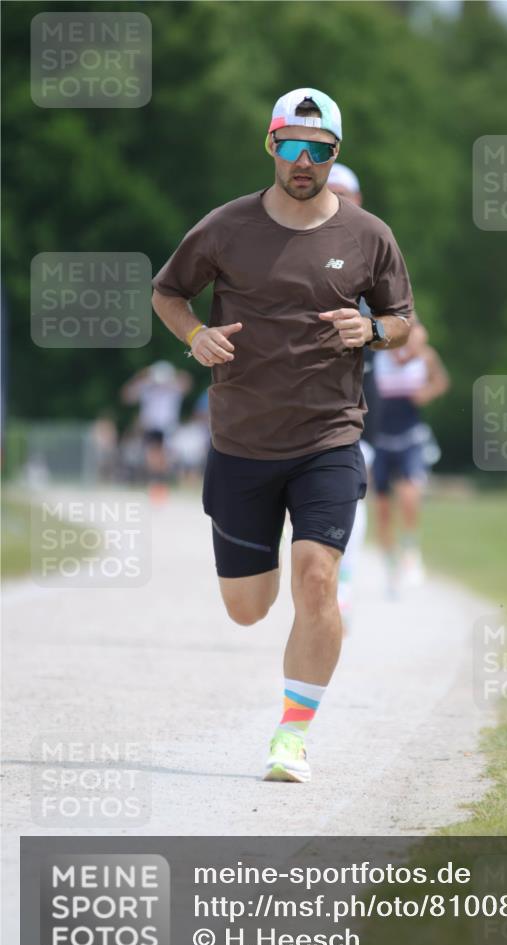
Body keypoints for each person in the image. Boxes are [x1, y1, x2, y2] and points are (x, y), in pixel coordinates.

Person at [151, 88, 414, 782]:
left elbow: (401, 319)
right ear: (271, 145)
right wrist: (197, 335)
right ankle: (269, 623)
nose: (304, 160)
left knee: (318, 579)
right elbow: (167, 293)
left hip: (329, 436)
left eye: (319, 149)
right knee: (248, 608)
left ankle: (292, 737)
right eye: (292, 146)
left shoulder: (369, 236)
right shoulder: (226, 228)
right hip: (241, 442)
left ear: (335, 155)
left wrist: (375, 330)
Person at [326, 163, 379, 631]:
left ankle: (343, 579)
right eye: (331, 192)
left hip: (361, 401)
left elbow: (405, 322)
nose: (338, 200)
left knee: (349, 493)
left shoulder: (373, 249)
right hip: (305, 403)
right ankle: (321, 570)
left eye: (345, 194)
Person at [373, 331, 449, 593]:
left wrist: (426, 392)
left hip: (411, 436)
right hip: (381, 439)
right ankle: (389, 566)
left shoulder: (425, 356)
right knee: (382, 510)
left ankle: (410, 551)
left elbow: (441, 381)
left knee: (409, 495)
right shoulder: (377, 355)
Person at [121, 361, 192, 501]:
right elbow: (127, 396)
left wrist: (172, 379)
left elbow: (187, 384)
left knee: (164, 459)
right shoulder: (147, 387)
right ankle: (156, 485)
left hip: (167, 426)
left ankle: (160, 485)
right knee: (152, 458)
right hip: (151, 426)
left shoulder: (173, 388)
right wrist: (141, 377)